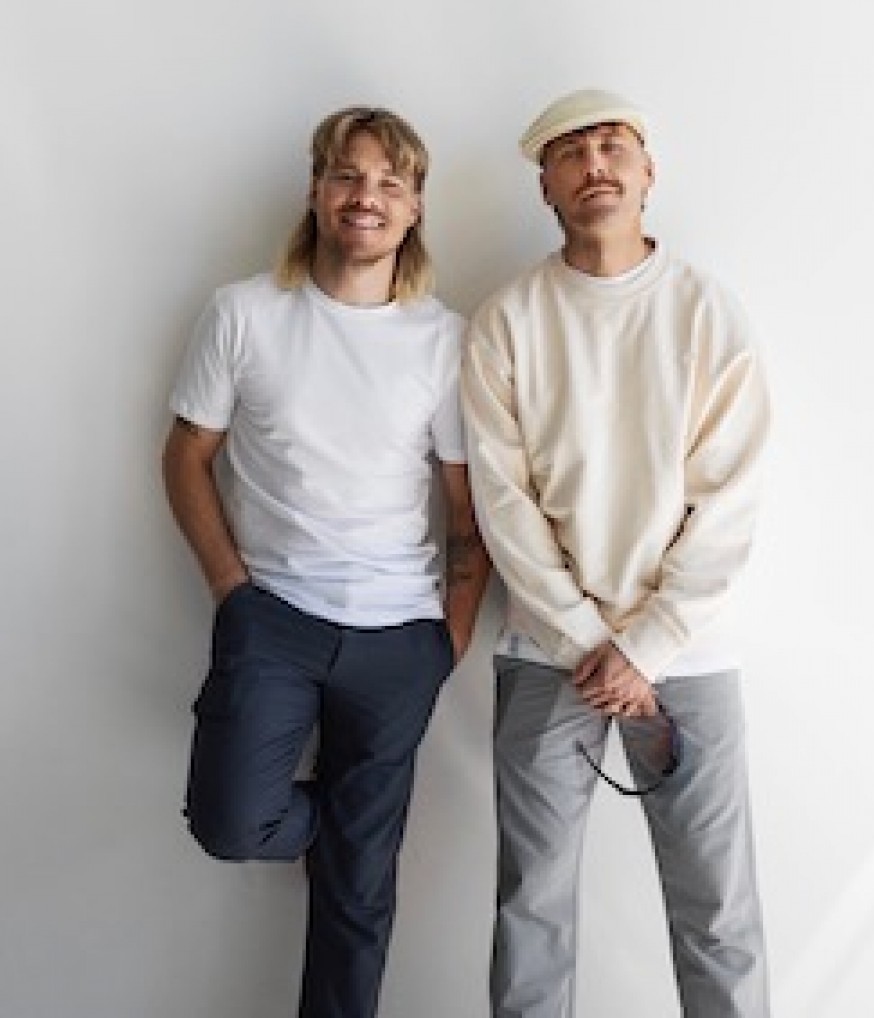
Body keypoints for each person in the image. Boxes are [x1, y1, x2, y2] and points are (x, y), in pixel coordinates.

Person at [162, 105, 490, 1018]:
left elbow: (466, 509)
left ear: (415, 208)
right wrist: (232, 590)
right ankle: (342, 829)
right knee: (234, 822)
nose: (366, 197)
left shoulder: (443, 339)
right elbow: (185, 454)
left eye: (390, 183)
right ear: (315, 190)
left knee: (359, 896)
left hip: (400, 637)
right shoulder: (243, 312)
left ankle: (350, 852)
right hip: (274, 622)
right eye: (347, 175)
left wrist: (448, 640)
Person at [461, 88, 771, 1017]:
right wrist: (585, 640)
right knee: (530, 910)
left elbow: (729, 497)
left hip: (687, 654)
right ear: (545, 187)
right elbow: (501, 499)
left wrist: (647, 645)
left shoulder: (705, 310)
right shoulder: (507, 320)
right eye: (570, 153)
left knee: (717, 911)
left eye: (611, 146)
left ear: (646, 173)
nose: (593, 165)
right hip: (545, 652)